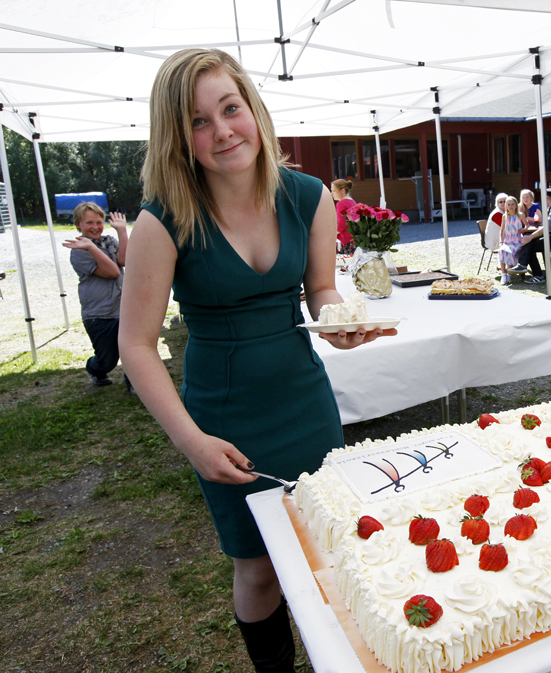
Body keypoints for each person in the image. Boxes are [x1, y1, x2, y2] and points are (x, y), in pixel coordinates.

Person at [118, 49, 394, 673]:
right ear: (177, 136)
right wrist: (191, 441)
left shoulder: (307, 196)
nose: (221, 131)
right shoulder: (163, 220)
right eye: (198, 121)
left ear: (253, 108)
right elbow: (135, 345)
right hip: (225, 417)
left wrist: (338, 325)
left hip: (305, 402)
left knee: (327, 544)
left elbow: (319, 290)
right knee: (260, 566)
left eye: (230, 108)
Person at [63, 202, 131, 391]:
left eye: (99, 222)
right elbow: (112, 272)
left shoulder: (109, 241)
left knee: (131, 348)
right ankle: (95, 369)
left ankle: (134, 383)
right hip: (99, 314)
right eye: (89, 223)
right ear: (78, 225)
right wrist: (91, 247)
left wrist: (122, 231)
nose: (95, 227)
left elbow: (124, 260)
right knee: (107, 360)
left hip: (123, 308)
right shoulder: (78, 251)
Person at [510, 188, 551, 283]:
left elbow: (547, 227)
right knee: (529, 242)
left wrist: (530, 237)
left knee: (529, 245)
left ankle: (536, 274)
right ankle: (524, 266)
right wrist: (530, 237)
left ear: (547, 199)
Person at [497, 195, 523, 285]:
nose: (511, 206)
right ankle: (503, 274)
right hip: (507, 241)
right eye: (508, 204)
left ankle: (509, 273)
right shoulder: (504, 216)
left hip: (516, 241)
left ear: (516, 205)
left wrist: (523, 230)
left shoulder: (520, 215)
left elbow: (527, 225)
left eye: (512, 204)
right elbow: (502, 230)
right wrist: (501, 241)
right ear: (506, 206)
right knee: (502, 250)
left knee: (510, 252)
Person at [332, 178, 355, 254]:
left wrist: (332, 234)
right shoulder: (352, 201)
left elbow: (342, 225)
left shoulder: (341, 204)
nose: (332, 193)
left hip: (345, 240)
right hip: (354, 238)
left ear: (342, 190)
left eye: (334, 191)